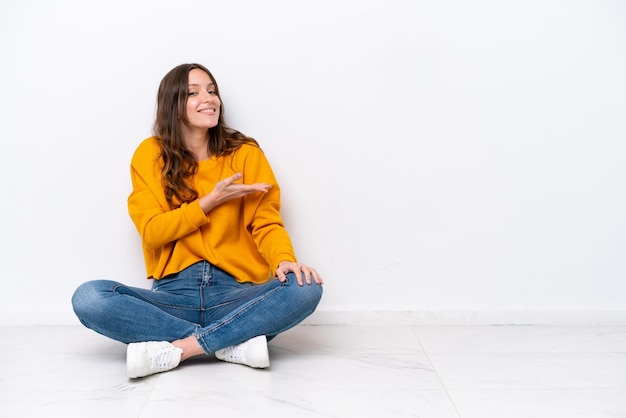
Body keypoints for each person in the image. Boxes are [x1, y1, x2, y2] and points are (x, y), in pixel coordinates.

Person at [71, 63, 323, 379]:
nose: (209, 98)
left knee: (307, 287)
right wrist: (208, 202)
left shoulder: (245, 154)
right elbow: (152, 232)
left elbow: (266, 221)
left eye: (212, 90)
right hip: (172, 296)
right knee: (89, 297)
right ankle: (232, 340)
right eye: (194, 92)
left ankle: (184, 348)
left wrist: (285, 260)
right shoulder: (150, 154)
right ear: (173, 104)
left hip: (235, 293)